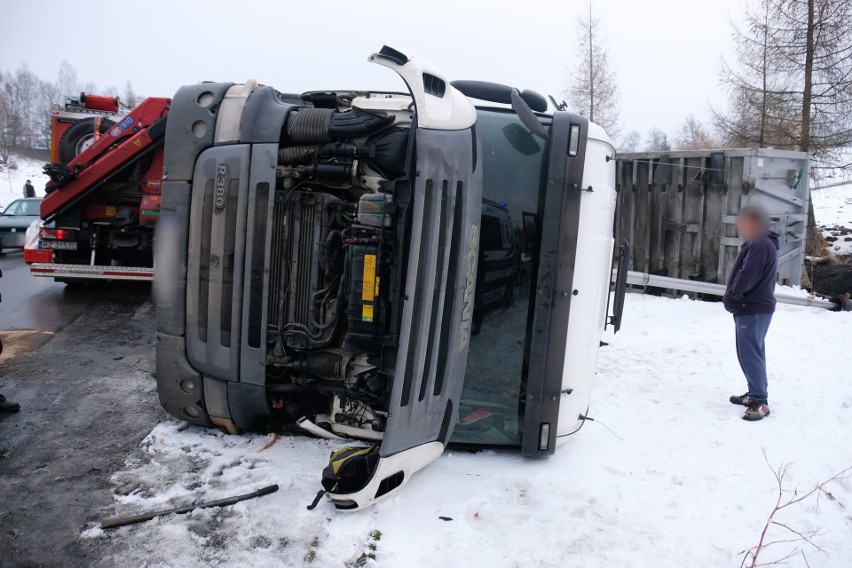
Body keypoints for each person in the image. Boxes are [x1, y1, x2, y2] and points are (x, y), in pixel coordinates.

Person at [723, 205, 779, 421]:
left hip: (752, 307)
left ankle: (759, 400)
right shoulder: (761, 243)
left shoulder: (760, 244)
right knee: (751, 352)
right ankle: (755, 392)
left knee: (750, 354)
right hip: (753, 308)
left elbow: (748, 275)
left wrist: (733, 296)